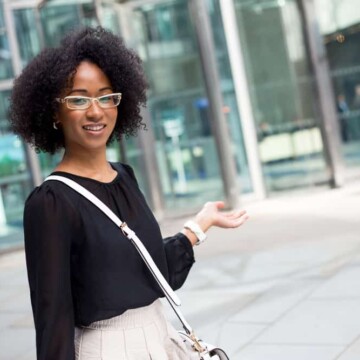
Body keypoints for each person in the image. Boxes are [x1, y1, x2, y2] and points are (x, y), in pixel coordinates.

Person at [9, 26, 249, 360]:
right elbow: (53, 319)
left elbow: (150, 270)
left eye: (106, 96)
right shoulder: (51, 203)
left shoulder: (124, 176)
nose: (96, 111)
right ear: (53, 112)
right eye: (79, 99)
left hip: (162, 339)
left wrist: (199, 226)